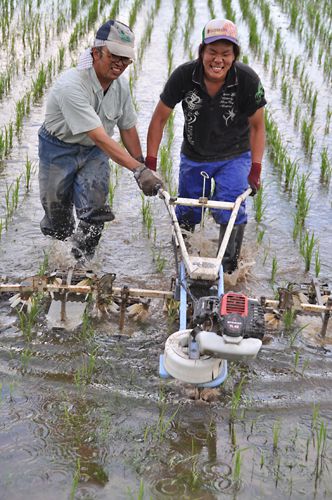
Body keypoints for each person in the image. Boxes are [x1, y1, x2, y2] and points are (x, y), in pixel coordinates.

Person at [146, 19, 266, 272]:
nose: (218, 60)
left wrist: (255, 169)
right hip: (195, 156)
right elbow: (159, 119)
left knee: (231, 206)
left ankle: (229, 268)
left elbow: (257, 126)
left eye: (225, 54)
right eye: (212, 52)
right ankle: (182, 265)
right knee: (187, 211)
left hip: (234, 155)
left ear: (234, 56)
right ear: (202, 52)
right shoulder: (184, 76)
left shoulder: (246, 80)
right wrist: (151, 164)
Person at [38, 19, 162, 262]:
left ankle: (84, 262)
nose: (120, 63)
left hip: (94, 151)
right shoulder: (72, 85)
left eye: (125, 59)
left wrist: (142, 167)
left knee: (95, 210)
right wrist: (137, 170)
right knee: (57, 215)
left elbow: (127, 127)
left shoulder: (121, 87)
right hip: (58, 148)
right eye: (114, 55)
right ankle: (58, 263)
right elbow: (100, 136)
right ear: (96, 53)